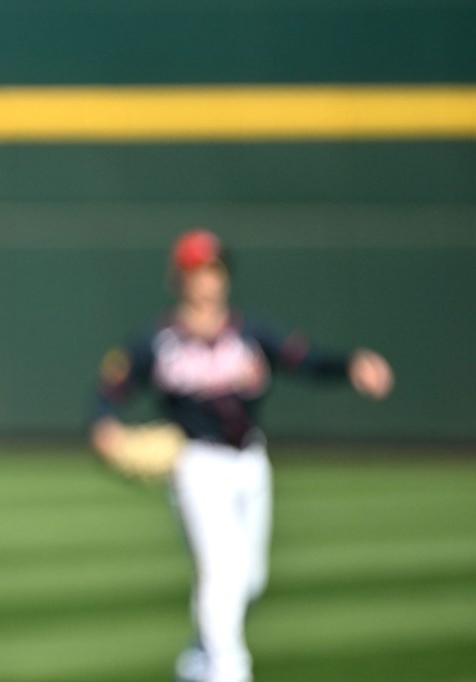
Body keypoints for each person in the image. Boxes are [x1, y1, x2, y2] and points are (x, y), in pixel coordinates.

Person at [89, 228, 393, 682]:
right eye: (197, 270)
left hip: (251, 462)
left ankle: (197, 663)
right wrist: (104, 426)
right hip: (196, 465)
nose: (207, 279)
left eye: (214, 268)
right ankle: (228, 670)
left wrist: (350, 365)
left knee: (250, 579)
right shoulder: (158, 340)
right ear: (179, 278)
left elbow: (305, 360)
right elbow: (110, 388)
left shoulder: (251, 333)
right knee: (222, 573)